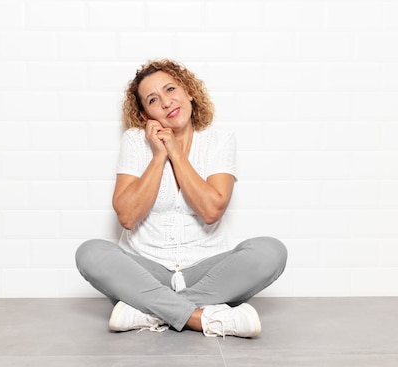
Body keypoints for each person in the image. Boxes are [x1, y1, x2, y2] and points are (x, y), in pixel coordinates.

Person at [76, 59, 287, 338]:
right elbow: (127, 217)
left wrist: (175, 152)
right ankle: (204, 318)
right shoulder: (134, 142)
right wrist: (159, 155)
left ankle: (150, 311)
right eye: (153, 100)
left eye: (170, 89)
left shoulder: (219, 140)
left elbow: (211, 210)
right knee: (90, 253)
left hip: (208, 272)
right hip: (147, 271)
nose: (166, 102)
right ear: (144, 115)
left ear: (188, 91)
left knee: (271, 252)